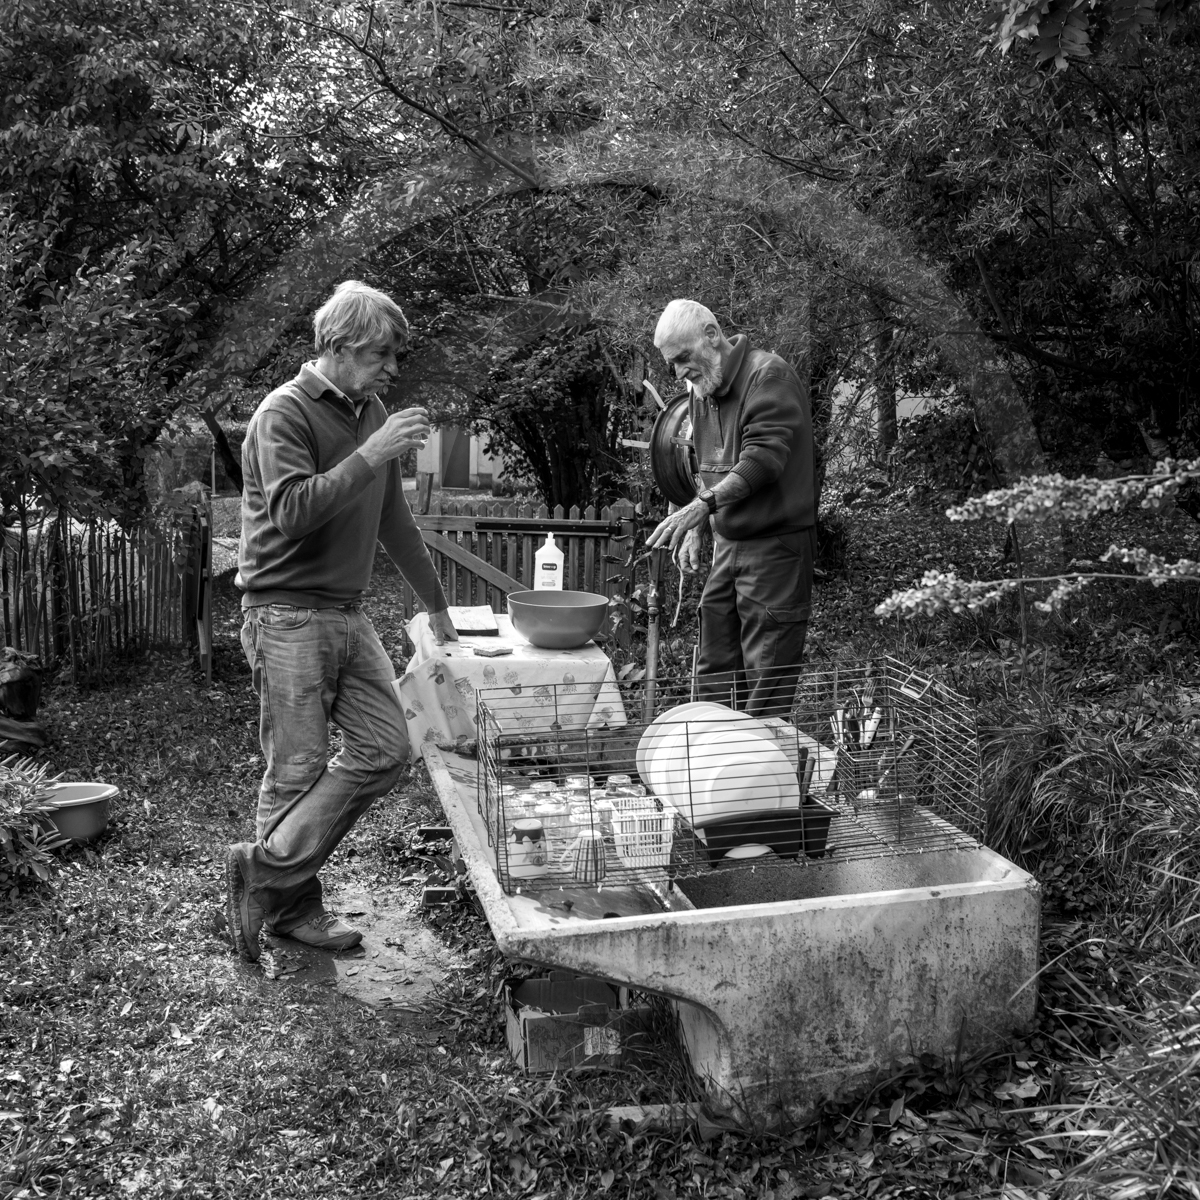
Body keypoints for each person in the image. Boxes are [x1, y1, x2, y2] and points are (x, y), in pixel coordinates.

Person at [225, 280, 457, 962]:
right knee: (294, 770)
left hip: (346, 615)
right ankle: (293, 911)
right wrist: (374, 452)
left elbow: (393, 521)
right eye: (383, 354)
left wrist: (437, 605)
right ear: (343, 346)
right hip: (284, 613)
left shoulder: (370, 410)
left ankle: (260, 872)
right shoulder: (282, 415)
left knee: (388, 749)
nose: (392, 368)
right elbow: (292, 514)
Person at [646, 299, 815, 718]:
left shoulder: (768, 375)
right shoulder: (704, 388)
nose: (679, 372)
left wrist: (700, 509)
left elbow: (762, 461)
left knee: (766, 676)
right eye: (672, 364)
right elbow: (710, 467)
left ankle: (761, 776)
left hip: (776, 547)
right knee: (715, 667)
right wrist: (700, 528)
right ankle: (716, 769)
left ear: (711, 335)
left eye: (683, 358)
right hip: (729, 543)